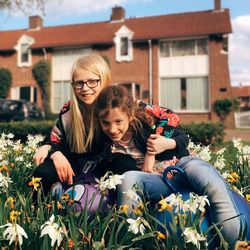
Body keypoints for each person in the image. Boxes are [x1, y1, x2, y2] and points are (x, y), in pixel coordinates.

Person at [94, 85, 241, 248]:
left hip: (181, 164)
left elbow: (182, 137)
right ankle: (132, 243)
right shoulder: (104, 144)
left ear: (129, 116)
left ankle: (232, 241)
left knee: (210, 183)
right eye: (106, 123)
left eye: (119, 121)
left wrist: (164, 144)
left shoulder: (148, 123)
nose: (113, 129)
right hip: (159, 181)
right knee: (129, 179)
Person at [32, 54, 112, 196]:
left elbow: (164, 114)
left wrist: (163, 144)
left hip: (109, 164)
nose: (85, 88)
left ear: (104, 80)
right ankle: (41, 211)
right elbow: (53, 140)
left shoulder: (118, 103)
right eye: (79, 83)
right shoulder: (69, 109)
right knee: (43, 172)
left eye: (92, 81)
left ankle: (120, 210)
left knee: (125, 164)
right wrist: (54, 152)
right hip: (76, 165)